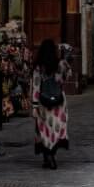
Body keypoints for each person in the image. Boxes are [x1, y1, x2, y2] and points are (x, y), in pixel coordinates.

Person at [32, 39, 69, 169]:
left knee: (44, 129)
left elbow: (36, 86)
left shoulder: (38, 67)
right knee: (55, 129)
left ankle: (48, 156)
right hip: (58, 103)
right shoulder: (59, 64)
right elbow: (62, 80)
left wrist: (35, 105)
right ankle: (51, 155)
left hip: (43, 101)